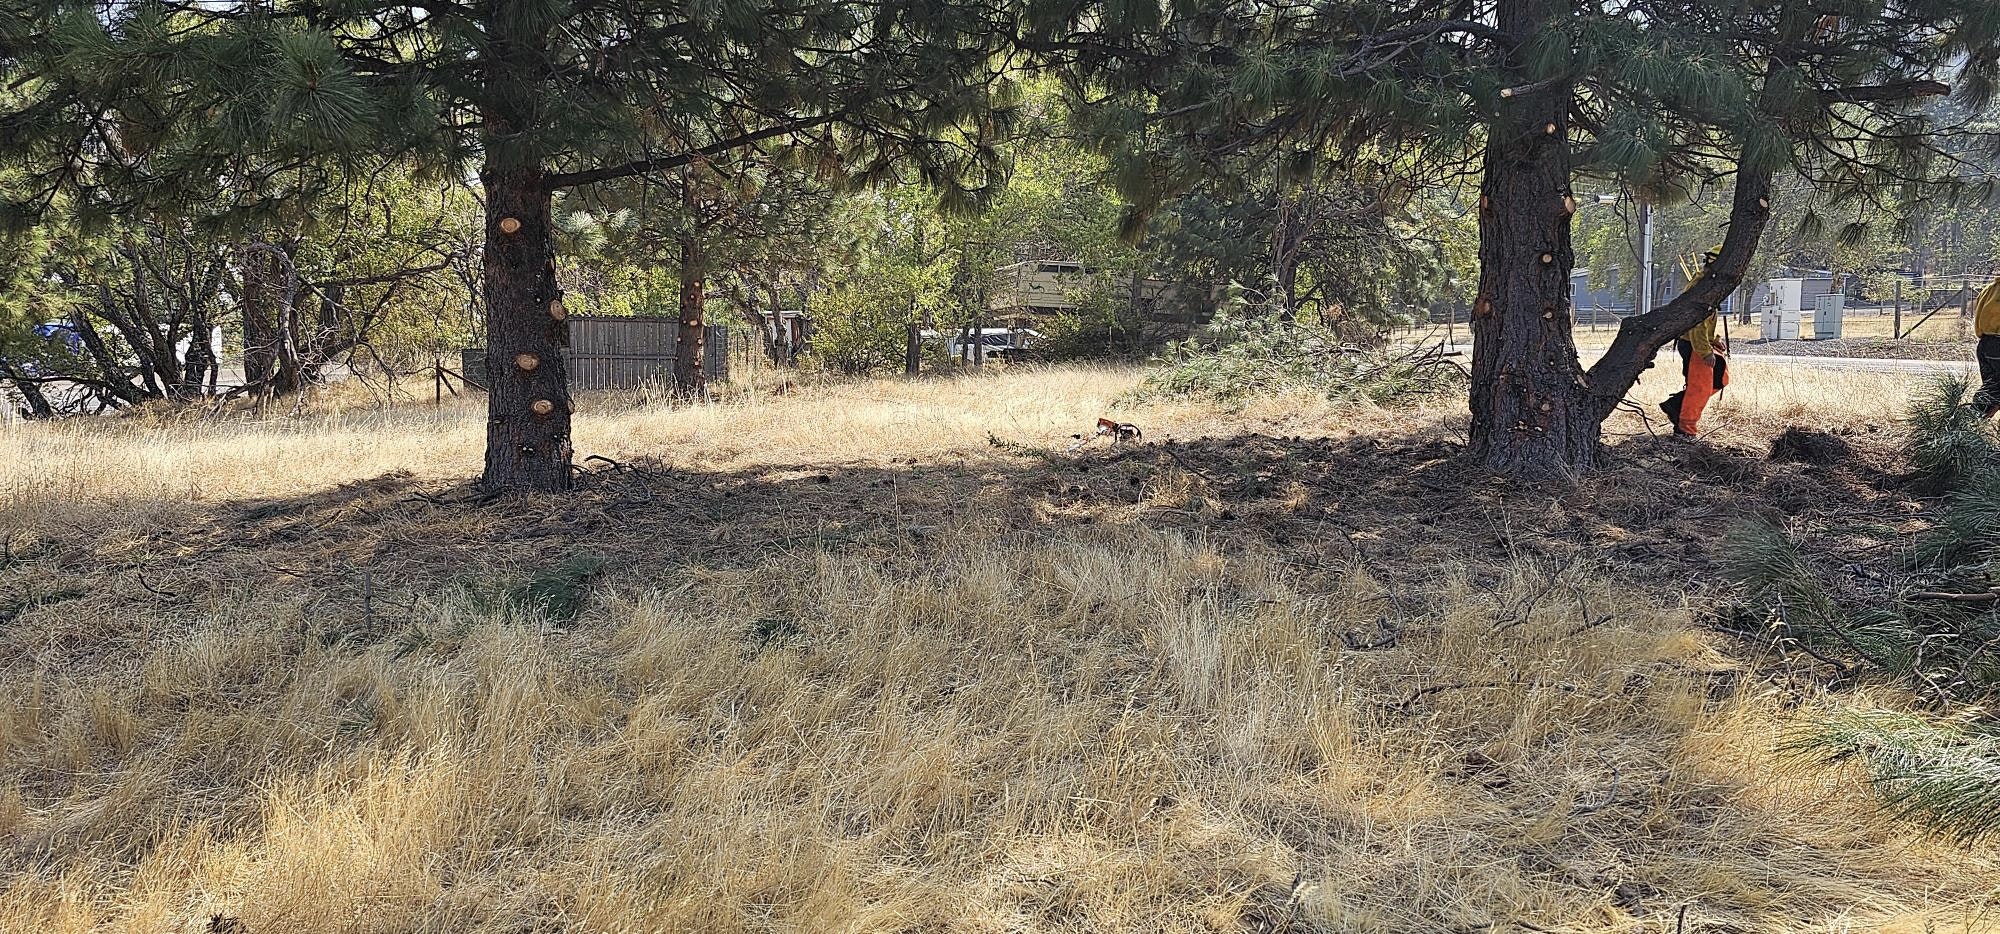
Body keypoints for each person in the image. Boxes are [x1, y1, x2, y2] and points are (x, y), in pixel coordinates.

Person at [1659, 245, 1730, 438]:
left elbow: (1705, 324)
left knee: (1719, 380)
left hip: (1697, 343)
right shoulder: (1704, 288)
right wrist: (1705, 351)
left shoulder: (1706, 283)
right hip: (1693, 345)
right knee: (1698, 388)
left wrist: (1713, 340)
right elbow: (1697, 324)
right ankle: (1685, 430)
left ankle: (1675, 407)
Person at [1973, 269, 2000, 418]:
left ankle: (1969, 427)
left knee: (1991, 390)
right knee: (1993, 391)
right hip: (1997, 343)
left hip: (1985, 345)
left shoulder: (1989, 290)